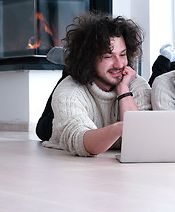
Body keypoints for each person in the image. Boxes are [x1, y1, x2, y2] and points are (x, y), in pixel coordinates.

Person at [41, 11, 152, 157]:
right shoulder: (68, 92)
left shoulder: (136, 84)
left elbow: (139, 139)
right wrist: (117, 129)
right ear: (90, 58)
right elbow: (80, 141)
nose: (119, 64)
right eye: (108, 56)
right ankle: (70, 65)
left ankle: (72, 61)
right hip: (56, 123)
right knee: (42, 129)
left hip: (96, 84)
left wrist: (123, 90)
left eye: (123, 54)